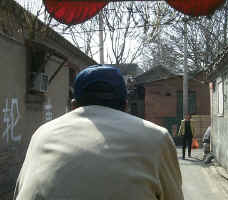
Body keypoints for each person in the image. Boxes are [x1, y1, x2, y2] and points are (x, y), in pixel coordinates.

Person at [13, 65, 184, 200]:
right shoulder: (156, 138)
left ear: (73, 105)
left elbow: (19, 191)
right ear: (125, 105)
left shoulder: (42, 134)